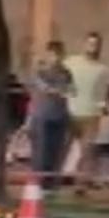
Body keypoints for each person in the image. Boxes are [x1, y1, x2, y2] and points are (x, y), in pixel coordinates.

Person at [63, 32, 109, 191]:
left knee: (88, 152)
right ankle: (52, 181)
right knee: (62, 148)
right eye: (90, 43)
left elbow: (105, 92)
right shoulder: (70, 62)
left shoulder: (102, 69)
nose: (93, 47)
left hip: (91, 114)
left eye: (96, 44)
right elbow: (60, 79)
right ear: (84, 44)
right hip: (70, 111)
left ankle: (81, 186)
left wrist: (105, 105)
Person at [29, 41, 74, 188]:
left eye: (58, 54)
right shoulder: (41, 72)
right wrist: (58, 90)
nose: (55, 58)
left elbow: (71, 91)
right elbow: (43, 87)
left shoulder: (66, 73)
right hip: (42, 115)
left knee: (57, 151)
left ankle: (52, 183)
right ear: (48, 55)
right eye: (52, 54)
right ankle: (38, 183)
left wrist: (61, 91)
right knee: (41, 151)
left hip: (60, 116)